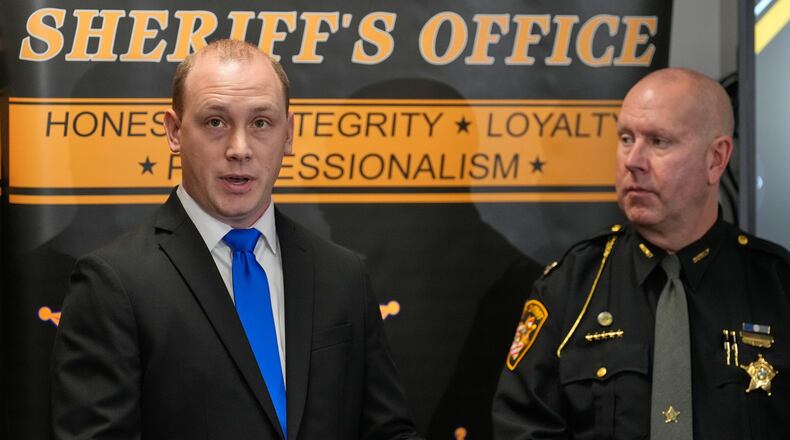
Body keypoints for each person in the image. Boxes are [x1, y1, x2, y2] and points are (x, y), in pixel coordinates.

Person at [51, 39, 422, 440]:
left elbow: (387, 431)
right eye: (216, 122)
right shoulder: (113, 284)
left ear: (288, 134)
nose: (239, 149)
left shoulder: (343, 274)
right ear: (174, 131)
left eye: (261, 123)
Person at [492, 67, 790, 439]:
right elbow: (522, 427)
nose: (633, 160)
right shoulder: (571, 286)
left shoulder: (778, 286)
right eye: (626, 138)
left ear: (716, 159)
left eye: (658, 141)